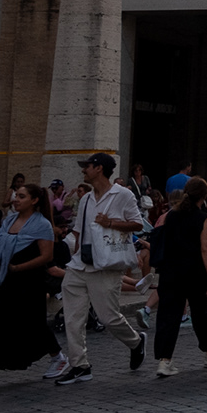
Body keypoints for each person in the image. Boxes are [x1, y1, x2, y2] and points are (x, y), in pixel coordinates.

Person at [0, 185, 65, 390]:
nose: (16, 199)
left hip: (29, 281)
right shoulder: (8, 221)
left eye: (22, 196)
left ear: (34, 200)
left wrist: (18, 267)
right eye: (16, 195)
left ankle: (58, 357)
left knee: (32, 323)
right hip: (4, 279)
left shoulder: (42, 225)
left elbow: (47, 256)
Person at [54, 153, 145, 385]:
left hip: (107, 264)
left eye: (88, 166)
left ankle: (136, 342)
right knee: (73, 317)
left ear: (100, 168)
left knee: (108, 318)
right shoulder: (85, 199)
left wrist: (111, 223)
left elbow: (138, 224)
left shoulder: (122, 195)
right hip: (80, 264)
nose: (84, 170)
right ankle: (80, 365)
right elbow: (78, 230)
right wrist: (72, 253)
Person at [152, 177, 207, 377]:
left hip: (170, 271)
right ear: (204, 196)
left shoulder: (171, 215)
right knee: (201, 314)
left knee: (168, 316)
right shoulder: (205, 218)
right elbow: (206, 249)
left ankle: (165, 361)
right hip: (195, 272)